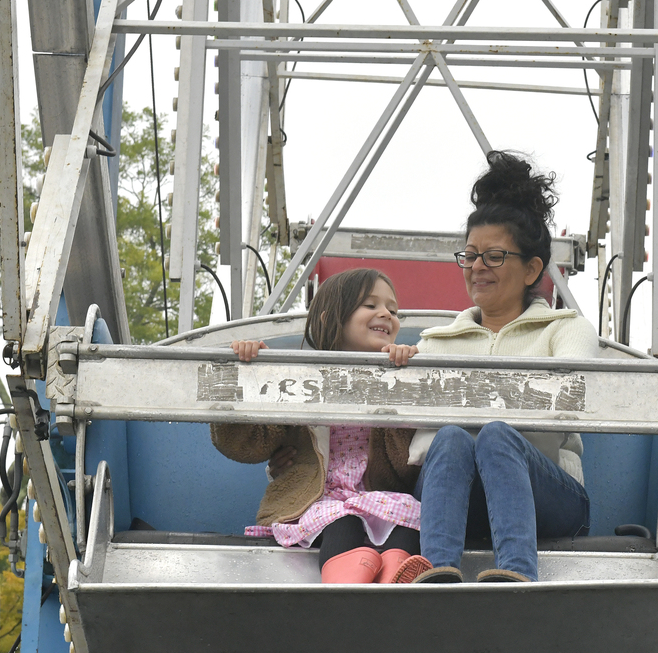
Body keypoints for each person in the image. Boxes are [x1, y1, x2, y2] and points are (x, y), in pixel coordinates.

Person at [403, 150, 602, 584]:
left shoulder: (566, 330)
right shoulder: (436, 342)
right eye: (470, 255)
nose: (476, 267)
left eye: (493, 257)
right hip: (454, 500)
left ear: (532, 269)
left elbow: (571, 390)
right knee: (453, 439)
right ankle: (437, 570)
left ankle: (517, 571)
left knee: (496, 435)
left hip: (546, 499)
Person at [210, 267, 430, 584]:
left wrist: (405, 377)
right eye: (370, 305)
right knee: (342, 522)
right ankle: (343, 571)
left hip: (375, 496)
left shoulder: (394, 380)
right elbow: (248, 444)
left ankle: (398, 567)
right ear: (331, 320)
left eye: (393, 310)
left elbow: (407, 458)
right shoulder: (299, 380)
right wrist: (249, 375)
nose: (386, 313)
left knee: (410, 516)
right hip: (318, 499)